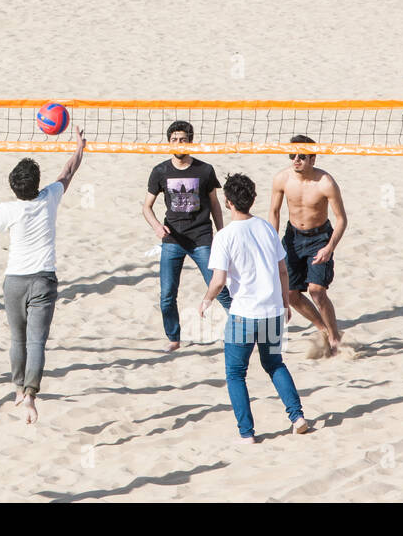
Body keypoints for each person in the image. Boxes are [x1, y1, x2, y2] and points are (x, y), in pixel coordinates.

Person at [0, 125, 86, 424]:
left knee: (17, 339)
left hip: (15, 281)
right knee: (36, 342)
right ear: (37, 183)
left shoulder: (6, 210)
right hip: (43, 279)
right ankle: (31, 396)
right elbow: (68, 170)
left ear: (14, 188)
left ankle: (17, 389)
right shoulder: (50, 196)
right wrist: (79, 147)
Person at [199, 173, 313, 444]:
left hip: (244, 315)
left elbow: (218, 281)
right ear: (252, 199)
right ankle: (297, 417)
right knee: (274, 364)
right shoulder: (265, 228)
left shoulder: (225, 236)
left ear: (228, 202)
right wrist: (285, 303)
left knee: (235, 374)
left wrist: (206, 300)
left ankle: (247, 433)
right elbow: (282, 270)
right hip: (272, 311)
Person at [143, 121, 230, 351]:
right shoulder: (160, 171)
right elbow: (146, 207)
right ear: (169, 142)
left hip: (201, 236)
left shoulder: (205, 170)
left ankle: (241, 326)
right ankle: (174, 338)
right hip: (172, 239)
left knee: (218, 286)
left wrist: (221, 233)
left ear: (190, 142)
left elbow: (214, 205)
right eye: (174, 139)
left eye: (182, 139)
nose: (178, 143)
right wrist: (156, 227)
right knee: (167, 295)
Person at [268, 135, 348, 354]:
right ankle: (322, 328)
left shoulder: (325, 182)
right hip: (292, 237)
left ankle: (334, 338)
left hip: (319, 238)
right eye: (292, 155)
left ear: (313, 158)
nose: (296, 160)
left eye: (302, 156)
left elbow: (342, 219)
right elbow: (274, 212)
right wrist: (273, 243)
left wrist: (329, 247)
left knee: (317, 291)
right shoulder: (282, 179)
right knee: (291, 294)